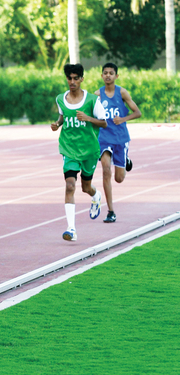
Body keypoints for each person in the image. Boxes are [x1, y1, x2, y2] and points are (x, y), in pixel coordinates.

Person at [50, 63, 107, 241]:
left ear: (82, 79)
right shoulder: (60, 99)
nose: (72, 82)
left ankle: (96, 196)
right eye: (69, 78)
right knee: (70, 185)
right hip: (69, 148)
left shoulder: (92, 100)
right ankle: (71, 229)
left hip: (89, 150)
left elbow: (104, 122)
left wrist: (88, 118)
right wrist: (57, 124)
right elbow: (62, 117)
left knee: (86, 187)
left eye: (76, 78)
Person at [94, 62, 142, 223]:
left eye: (111, 73)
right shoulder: (97, 96)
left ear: (116, 76)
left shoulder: (122, 92)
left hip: (121, 138)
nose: (108, 75)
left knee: (119, 178)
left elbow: (138, 112)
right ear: (101, 76)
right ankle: (110, 211)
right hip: (104, 138)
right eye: (105, 73)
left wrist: (123, 119)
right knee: (106, 170)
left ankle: (125, 159)